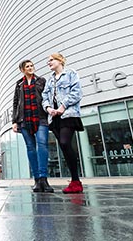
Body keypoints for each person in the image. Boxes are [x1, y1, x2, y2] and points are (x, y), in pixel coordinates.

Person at [42, 53, 84, 194]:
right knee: (64, 147)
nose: (49, 63)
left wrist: (62, 107)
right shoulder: (50, 80)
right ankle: (74, 181)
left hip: (68, 114)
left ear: (60, 61)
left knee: (66, 143)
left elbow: (76, 93)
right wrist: (48, 108)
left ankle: (76, 181)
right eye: (48, 61)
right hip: (54, 118)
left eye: (51, 60)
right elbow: (44, 97)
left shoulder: (71, 74)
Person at [12, 60, 54, 193]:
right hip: (24, 120)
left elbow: (48, 96)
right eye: (27, 67)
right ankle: (36, 180)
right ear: (22, 70)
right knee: (31, 148)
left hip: (40, 117)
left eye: (31, 66)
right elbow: (15, 103)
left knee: (42, 144)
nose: (30, 68)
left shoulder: (41, 81)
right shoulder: (19, 84)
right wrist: (14, 121)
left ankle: (44, 179)